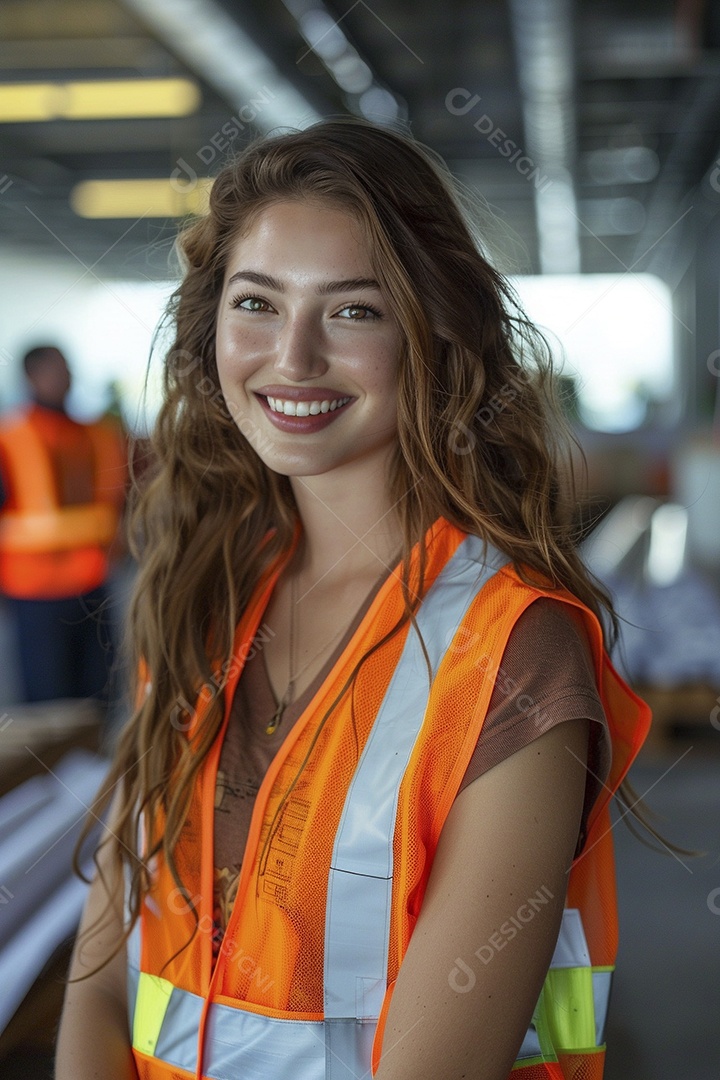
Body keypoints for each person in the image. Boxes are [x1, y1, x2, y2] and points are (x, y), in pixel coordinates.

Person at [56, 119, 650, 1080]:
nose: (291, 358)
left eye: (353, 312)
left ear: (433, 337)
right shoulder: (204, 600)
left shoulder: (510, 649)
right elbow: (102, 974)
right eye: (257, 302)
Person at [0, 346, 127, 703]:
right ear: (30, 377)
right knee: (48, 698)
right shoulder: (11, 438)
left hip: (92, 585)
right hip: (34, 592)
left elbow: (119, 502)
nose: (63, 378)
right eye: (52, 371)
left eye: (66, 369)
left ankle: (93, 760)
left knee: (99, 693)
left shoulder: (97, 435)